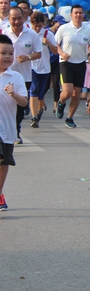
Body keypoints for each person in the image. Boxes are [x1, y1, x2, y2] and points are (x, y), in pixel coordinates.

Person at [4, 7, 42, 142]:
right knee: (6, 105)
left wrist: (28, 57)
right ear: (9, 19)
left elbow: (38, 53)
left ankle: (16, 130)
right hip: (5, 75)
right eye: (13, 18)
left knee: (20, 106)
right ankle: (8, 132)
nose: (16, 21)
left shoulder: (31, 34)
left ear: (24, 18)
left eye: (19, 18)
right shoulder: (4, 34)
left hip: (23, 77)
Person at [0, 34, 29, 211]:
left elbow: (24, 102)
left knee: (3, 163)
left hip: (7, 130)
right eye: (3, 53)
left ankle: (0, 192)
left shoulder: (15, 77)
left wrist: (13, 94)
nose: (8, 57)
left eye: (10, 53)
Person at [55, 5, 90, 128]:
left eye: (80, 13)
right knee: (67, 92)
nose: (78, 15)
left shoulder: (88, 30)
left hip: (80, 63)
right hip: (66, 63)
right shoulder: (64, 28)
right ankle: (61, 103)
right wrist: (62, 53)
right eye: (76, 13)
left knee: (76, 94)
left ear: (84, 15)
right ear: (71, 15)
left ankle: (69, 118)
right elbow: (56, 43)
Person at [29, 12, 57, 128]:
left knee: (40, 94)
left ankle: (39, 112)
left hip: (45, 68)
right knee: (33, 90)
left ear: (43, 24)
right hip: (31, 67)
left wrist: (49, 44)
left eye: (39, 26)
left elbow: (55, 51)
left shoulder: (47, 34)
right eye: (35, 25)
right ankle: (34, 116)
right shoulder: (28, 33)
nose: (37, 28)